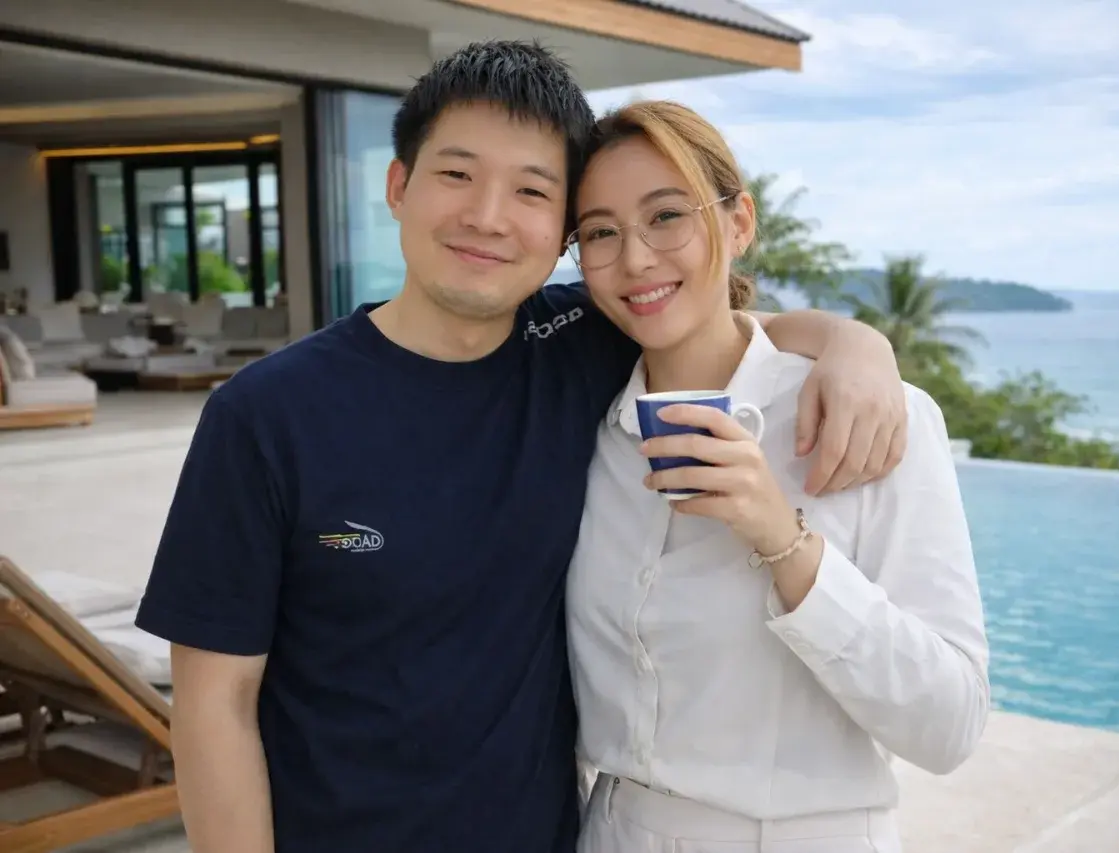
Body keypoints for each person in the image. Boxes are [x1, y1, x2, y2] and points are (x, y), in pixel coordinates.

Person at [133, 42, 911, 853]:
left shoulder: (578, 343)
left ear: (562, 230)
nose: (488, 216)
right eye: (457, 174)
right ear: (398, 187)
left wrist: (855, 344)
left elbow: (714, 317)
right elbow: (215, 703)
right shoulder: (264, 415)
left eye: (532, 190)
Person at [564, 100, 990, 853]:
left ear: (738, 223)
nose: (635, 259)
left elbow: (950, 725)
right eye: (600, 232)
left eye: (667, 216)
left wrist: (784, 541)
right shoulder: (586, 428)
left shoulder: (867, 419)